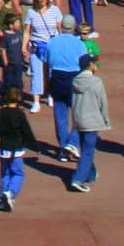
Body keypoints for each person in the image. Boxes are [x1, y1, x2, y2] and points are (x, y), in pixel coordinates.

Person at [45, 13, 88, 161]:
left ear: (61, 26)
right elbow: (85, 66)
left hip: (57, 78)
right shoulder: (79, 44)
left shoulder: (52, 42)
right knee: (79, 115)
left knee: (60, 116)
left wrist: (46, 83)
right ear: (74, 27)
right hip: (74, 79)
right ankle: (73, 143)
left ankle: (63, 149)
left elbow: (46, 64)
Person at [68, 53, 110, 193]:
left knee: (85, 149)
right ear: (90, 65)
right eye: (94, 62)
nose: (95, 64)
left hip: (79, 120)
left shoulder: (74, 81)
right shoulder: (97, 82)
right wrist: (105, 120)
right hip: (92, 122)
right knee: (87, 151)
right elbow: (103, 103)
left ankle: (90, 174)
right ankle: (78, 179)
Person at [0, 86, 37, 211]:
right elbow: (26, 131)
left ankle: (2, 198)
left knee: (4, 173)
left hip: (3, 147)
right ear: (18, 98)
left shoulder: (1, 112)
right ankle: (10, 193)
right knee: (18, 174)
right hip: (16, 148)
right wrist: (34, 146)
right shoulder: (20, 114)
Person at [24, 0, 62, 114]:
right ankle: (36, 101)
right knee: (36, 73)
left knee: (52, 73)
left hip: (52, 46)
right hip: (36, 46)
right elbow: (27, 31)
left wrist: (61, 43)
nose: (42, 1)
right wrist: (24, 46)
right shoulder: (31, 13)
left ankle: (51, 94)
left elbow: (59, 28)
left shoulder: (55, 10)